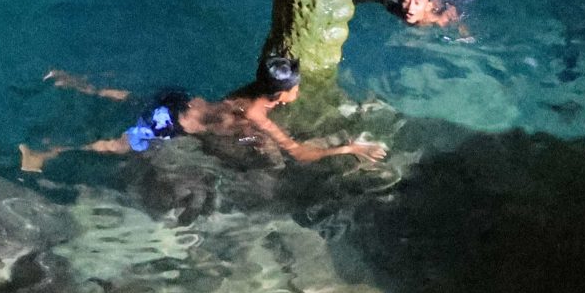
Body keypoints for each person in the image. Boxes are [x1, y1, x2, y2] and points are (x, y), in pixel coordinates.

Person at [21, 54, 385, 172]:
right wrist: (349, 149)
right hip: (173, 122)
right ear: (283, 95)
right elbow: (300, 154)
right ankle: (44, 153)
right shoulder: (258, 115)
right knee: (118, 145)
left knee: (129, 97)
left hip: (179, 98)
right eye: (296, 87)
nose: (298, 90)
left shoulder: (255, 89)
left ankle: (70, 81)